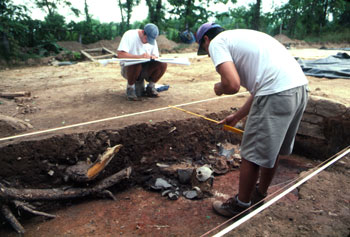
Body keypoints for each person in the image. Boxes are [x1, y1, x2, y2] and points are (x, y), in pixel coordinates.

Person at [195, 22, 309, 217]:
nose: (208, 54)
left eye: (205, 49)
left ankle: (240, 204)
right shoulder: (242, 37)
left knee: (251, 155)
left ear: (206, 39)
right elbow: (258, 90)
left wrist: (220, 88)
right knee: (272, 151)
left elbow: (232, 85)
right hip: (298, 89)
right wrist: (237, 116)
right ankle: (259, 194)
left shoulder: (216, 43)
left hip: (276, 93)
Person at [117, 23, 167, 101]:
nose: (148, 42)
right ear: (143, 32)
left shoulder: (152, 40)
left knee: (163, 63)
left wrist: (153, 57)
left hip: (144, 69)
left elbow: (156, 55)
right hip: (129, 69)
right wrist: (139, 57)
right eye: (147, 39)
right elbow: (120, 54)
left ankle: (150, 87)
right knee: (136, 62)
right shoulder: (129, 35)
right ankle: (130, 88)